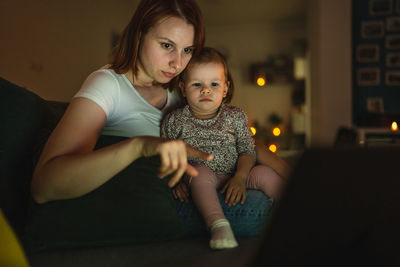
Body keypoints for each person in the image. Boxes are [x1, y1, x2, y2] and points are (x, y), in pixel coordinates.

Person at [31, 0, 210, 203]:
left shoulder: (180, 94)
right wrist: (138, 147)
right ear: (139, 35)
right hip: (151, 204)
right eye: (167, 45)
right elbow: (44, 186)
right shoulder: (108, 84)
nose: (177, 63)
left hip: (196, 193)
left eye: (187, 50)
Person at [161, 47, 288, 250]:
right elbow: (166, 155)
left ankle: (294, 212)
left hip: (236, 174)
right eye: (197, 84)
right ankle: (218, 224)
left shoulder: (235, 116)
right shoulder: (175, 121)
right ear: (183, 89)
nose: (206, 90)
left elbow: (248, 150)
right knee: (199, 172)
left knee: (264, 172)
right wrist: (175, 181)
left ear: (225, 88)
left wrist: (240, 177)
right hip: (201, 177)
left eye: (214, 84)